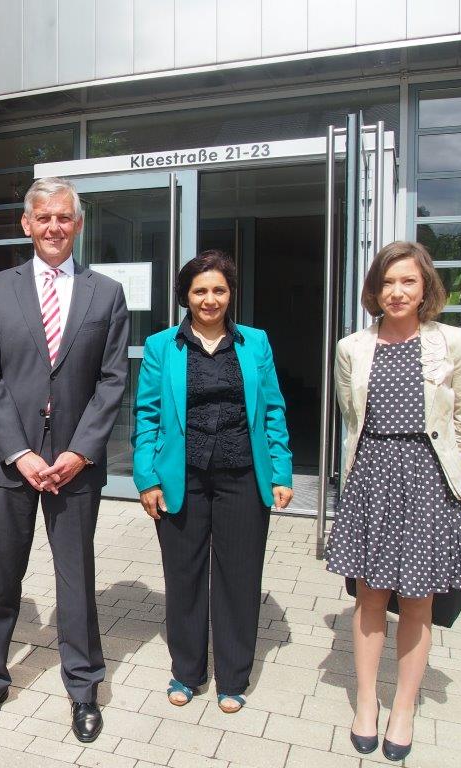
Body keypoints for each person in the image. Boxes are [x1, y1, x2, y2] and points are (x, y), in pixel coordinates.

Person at [0, 177, 129, 743]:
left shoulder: (105, 293)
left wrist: (80, 452)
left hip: (73, 466)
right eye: (44, 218)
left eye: (65, 217)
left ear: (78, 225)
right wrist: (20, 453)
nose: (55, 227)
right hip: (9, 463)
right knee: (1, 577)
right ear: (26, 224)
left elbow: (112, 382)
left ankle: (84, 688)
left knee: (76, 579)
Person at [325, 241, 461, 762]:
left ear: (424, 287)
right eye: (388, 282)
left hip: (429, 483)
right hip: (372, 480)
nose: (397, 292)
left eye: (407, 281)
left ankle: (404, 707)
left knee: (418, 603)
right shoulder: (352, 347)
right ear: (375, 289)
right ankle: (366, 701)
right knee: (369, 598)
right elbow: (353, 418)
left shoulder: (453, 343)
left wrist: (444, 483)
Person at [132, 250, 293, 715]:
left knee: (239, 579)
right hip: (181, 480)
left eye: (218, 289)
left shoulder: (255, 343)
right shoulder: (163, 346)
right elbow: (146, 416)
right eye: (200, 290)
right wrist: (147, 478)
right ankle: (186, 671)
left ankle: (233, 677)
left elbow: (274, 411)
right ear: (186, 295)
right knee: (183, 578)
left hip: (243, 476)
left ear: (230, 293)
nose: (209, 299)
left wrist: (281, 471)